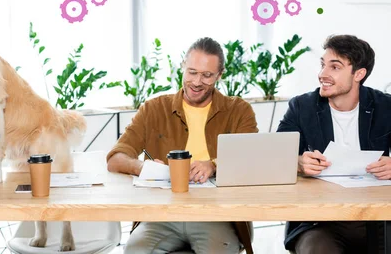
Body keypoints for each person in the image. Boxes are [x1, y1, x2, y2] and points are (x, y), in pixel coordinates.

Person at [107, 37, 258, 254]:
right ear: (182, 67)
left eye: (207, 75)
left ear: (219, 75)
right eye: (192, 72)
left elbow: (251, 157)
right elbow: (116, 158)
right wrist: (144, 168)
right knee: (135, 251)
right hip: (161, 215)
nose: (197, 82)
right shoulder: (153, 109)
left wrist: (214, 164)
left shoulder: (239, 110)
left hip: (217, 216)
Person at [277, 34, 391, 253]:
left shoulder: (386, 106)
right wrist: (297, 162)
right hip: (320, 221)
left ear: (358, 74)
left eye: (335, 67)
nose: (323, 74)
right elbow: (276, 154)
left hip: (378, 218)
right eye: (323, 65)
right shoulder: (302, 106)